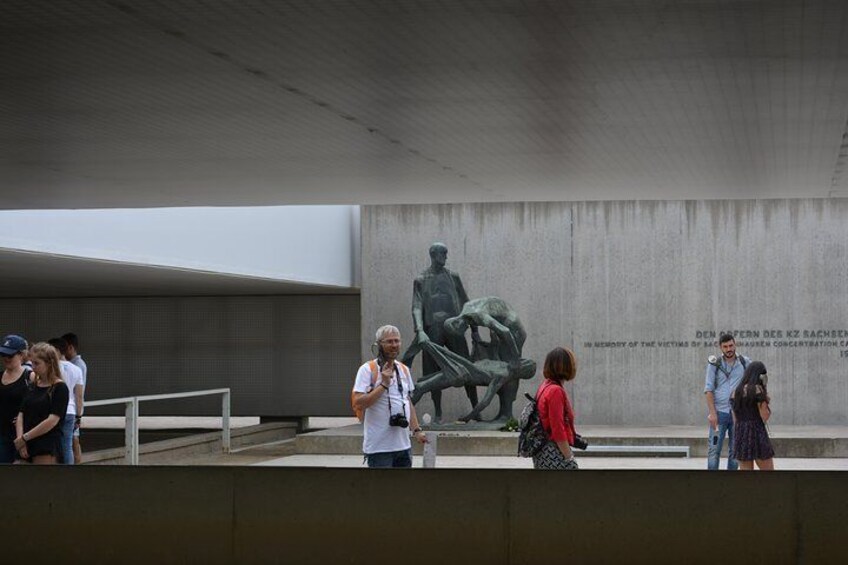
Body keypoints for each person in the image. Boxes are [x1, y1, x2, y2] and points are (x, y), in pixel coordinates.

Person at [400, 242, 478, 423]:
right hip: (432, 330)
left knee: (467, 366)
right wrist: (419, 330)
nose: (446, 257)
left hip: (454, 328)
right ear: (434, 255)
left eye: (446, 253)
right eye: (443, 253)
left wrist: (474, 329)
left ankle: (476, 409)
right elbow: (417, 307)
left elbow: (467, 303)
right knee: (432, 372)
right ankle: (438, 413)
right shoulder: (421, 279)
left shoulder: (453, 277)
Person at [352, 325, 427, 468]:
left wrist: (417, 431)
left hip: (403, 447)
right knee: (382, 490)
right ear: (379, 344)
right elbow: (358, 403)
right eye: (389, 342)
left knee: (403, 490)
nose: (394, 345)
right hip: (379, 449)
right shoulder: (368, 370)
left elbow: (407, 401)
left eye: (397, 341)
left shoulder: (403, 369)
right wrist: (384, 385)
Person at [14, 342, 69, 465]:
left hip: (46, 444)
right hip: (26, 443)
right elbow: (21, 414)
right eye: (31, 362)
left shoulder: (59, 387)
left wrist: (25, 437)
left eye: (37, 363)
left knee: (41, 481)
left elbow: (53, 420)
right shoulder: (33, 385)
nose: (33, 367)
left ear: (49, 363)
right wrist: (20, 441)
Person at [703, 333, 749, 471]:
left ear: (735, 344)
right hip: (719, 413)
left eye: (731, 345)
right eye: (725, 347)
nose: (729, 349)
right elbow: (708, 389)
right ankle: (712, 483)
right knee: (714, 450)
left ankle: (731, 484)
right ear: (720, 348)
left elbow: (753, 383)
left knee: (735, 451)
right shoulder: (714, 364)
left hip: (738, 414)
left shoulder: (745, 362)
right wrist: (712, 413)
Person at [532, 346, 579, 470]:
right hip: (553, 452)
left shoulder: (545, 386)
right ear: (567, 366)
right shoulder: (555, 391)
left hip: (542, 452)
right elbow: (557, 428)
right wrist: (569, 458)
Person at [731, 361, 774, 470]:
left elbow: (735, 418)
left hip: (741, 432)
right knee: (769, 475)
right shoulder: (757, 390)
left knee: (746, 478)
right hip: (756, 431)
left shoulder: (735, 392)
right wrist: (765, 398)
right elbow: (765, 416)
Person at [48, 338, 84, 465]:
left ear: (57, 350)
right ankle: (68, 473)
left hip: (53, 410)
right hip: (71, 411)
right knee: (67, 445)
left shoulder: (51, 368)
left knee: (52, 442)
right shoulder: (76, 369)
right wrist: (78, 416)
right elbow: (79, 396)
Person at [0, 335, 32, 463]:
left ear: (21, 355)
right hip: (2, 434)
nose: (6, 359)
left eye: (10, 355)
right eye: (3, 355)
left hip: (23, 434)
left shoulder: (30, 377)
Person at [61, 332, 87, 465]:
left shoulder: (78, 365)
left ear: (70, 347)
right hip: (73, 409)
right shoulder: (74, 364)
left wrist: (79, 414)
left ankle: (76, 466)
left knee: (73, 441)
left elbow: (79, 393)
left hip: (73, 409)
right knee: (71, 441)